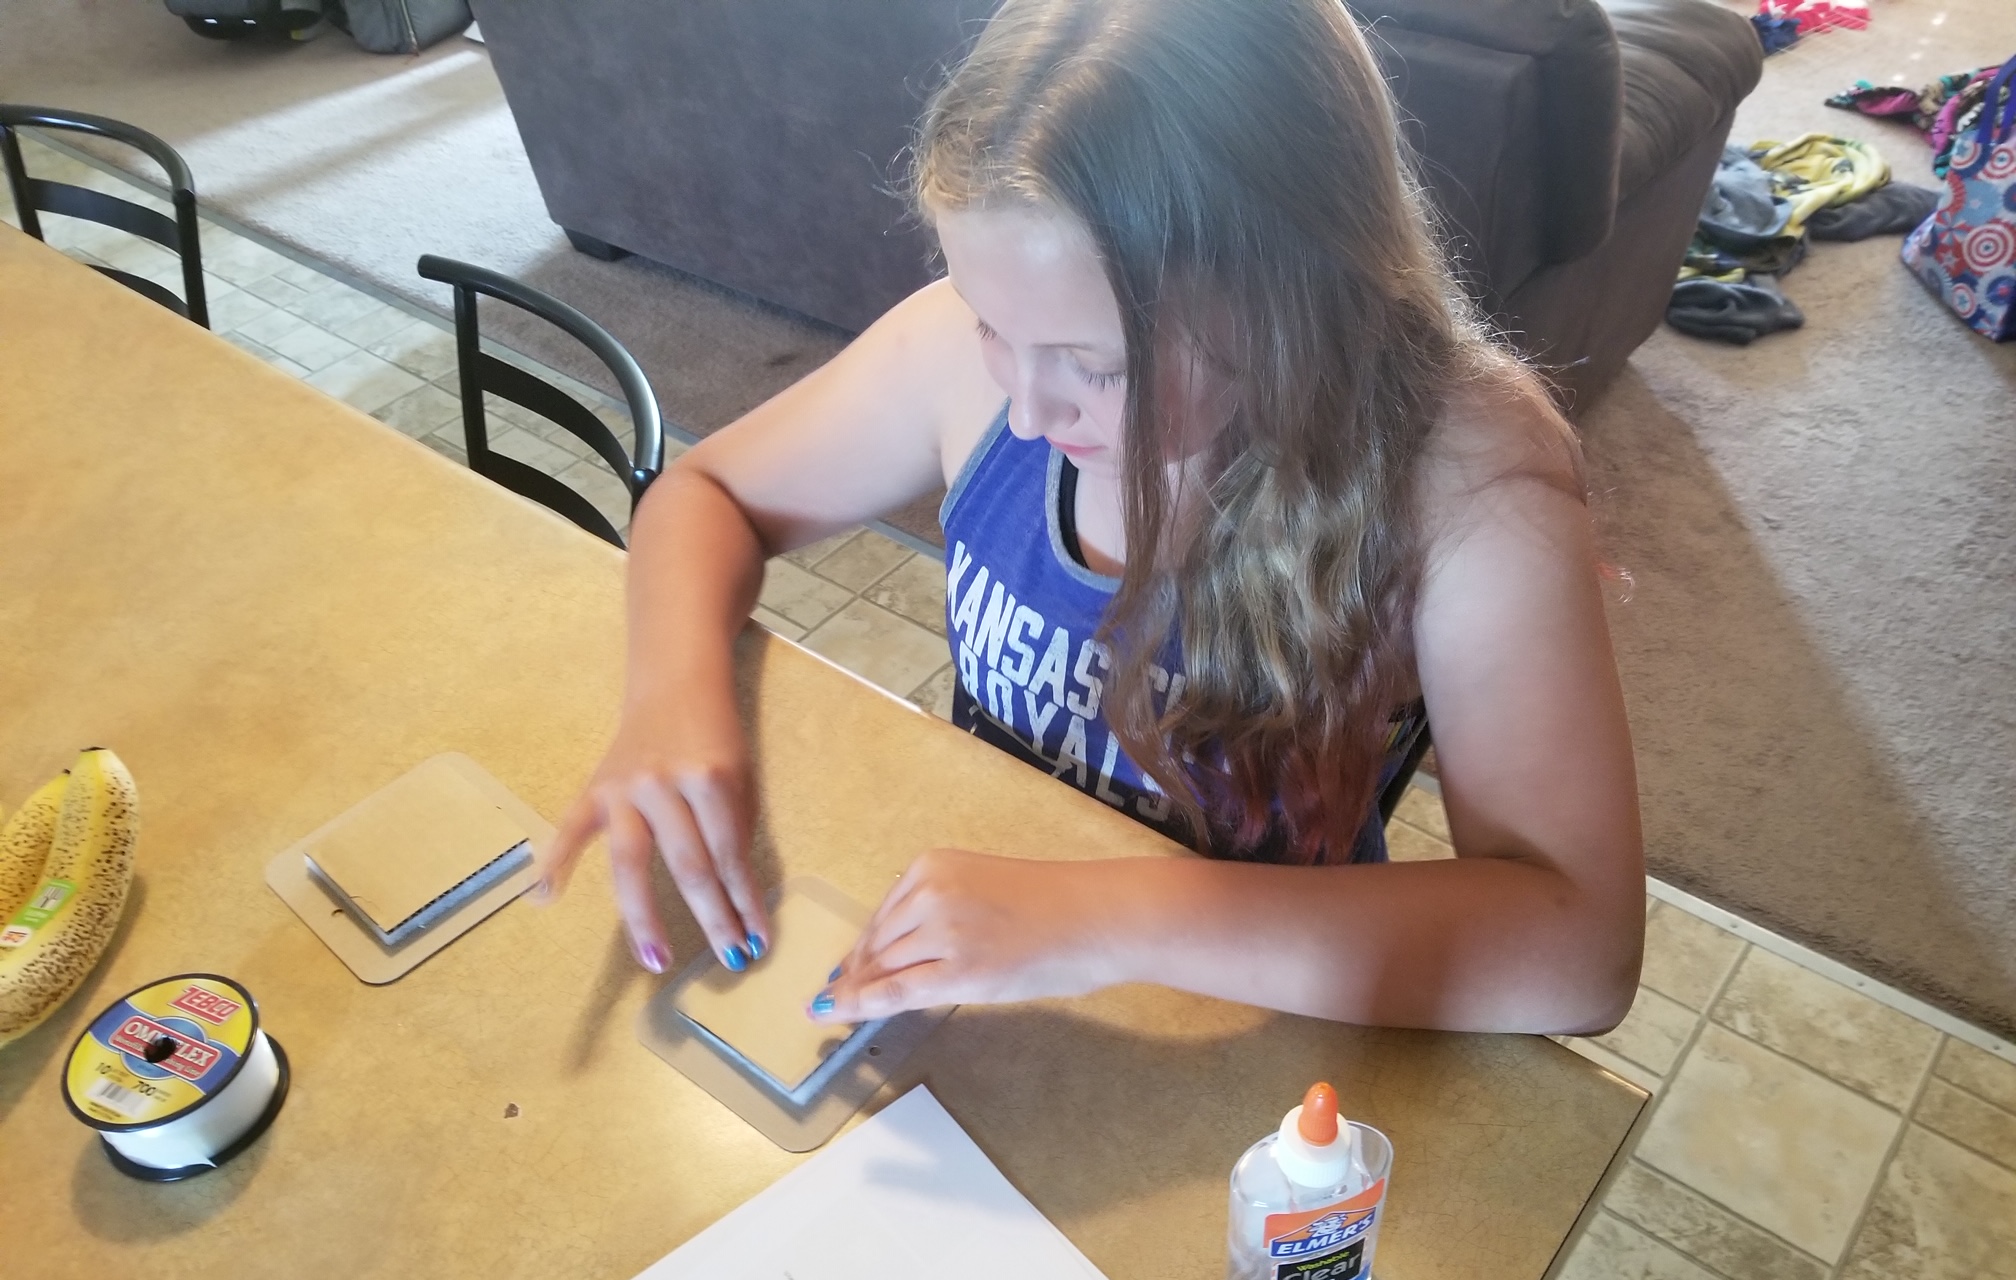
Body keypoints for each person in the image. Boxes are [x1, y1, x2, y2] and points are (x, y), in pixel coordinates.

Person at [537, 0, 1644, 1035]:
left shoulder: (1467, 491)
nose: (1023, 405)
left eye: (1094, 366)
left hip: (1251, 1020)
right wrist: (671, 701)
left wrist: (1106, 919)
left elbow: (1581, 948)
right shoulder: (962, 366)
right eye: (988, 322)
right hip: (990, 978)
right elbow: (707, 494)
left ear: (1294, 295)